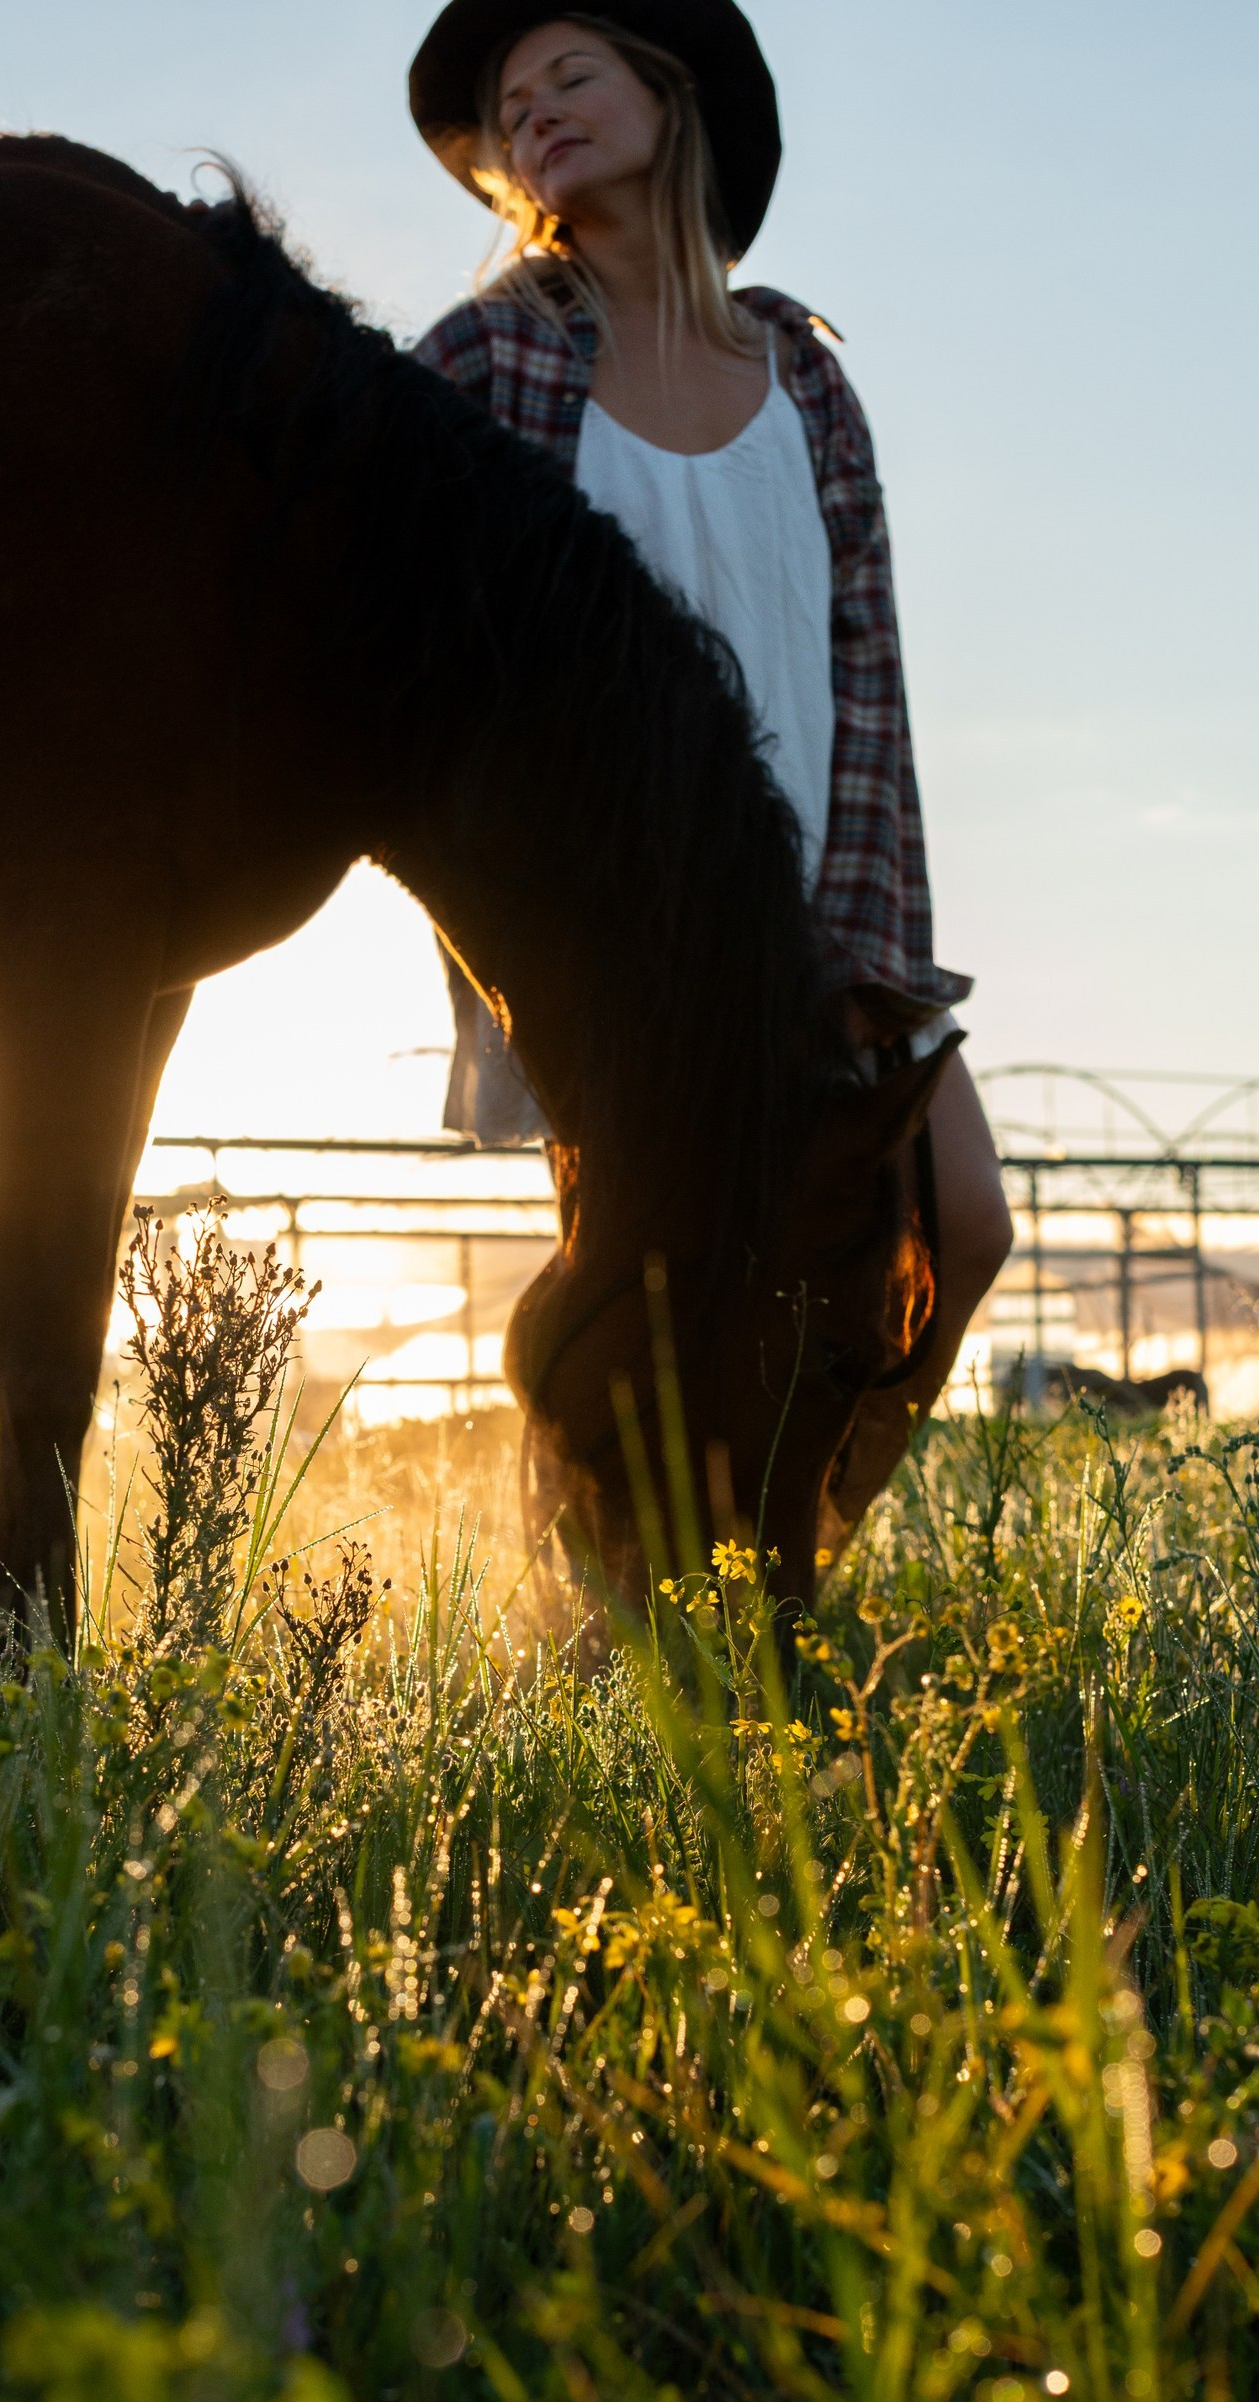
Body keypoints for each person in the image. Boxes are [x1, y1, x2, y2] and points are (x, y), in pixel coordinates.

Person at [408, 0, 1013, 1544]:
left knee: (963, 1227)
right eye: (512, 99)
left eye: (572, 74)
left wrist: (863, 952)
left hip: (822, 930)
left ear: (671, 101)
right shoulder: (488, 358)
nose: (535, 106)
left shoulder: (808, 383)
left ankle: (791, 1550)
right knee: (652, 1291)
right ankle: (611, 1626)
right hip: (617, 938)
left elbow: (867, 687)